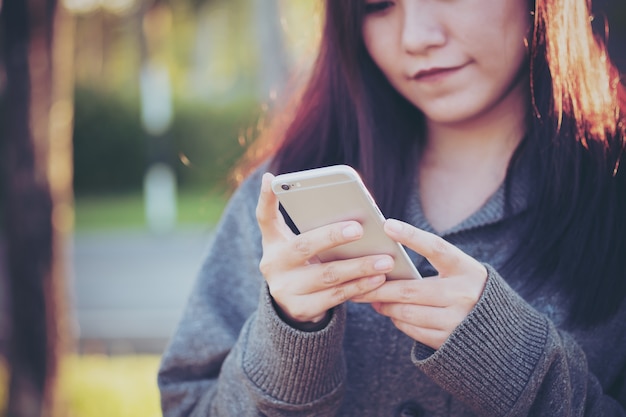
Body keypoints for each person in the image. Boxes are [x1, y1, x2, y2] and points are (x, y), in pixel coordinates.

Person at [158, 0, 626, 415]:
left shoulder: (612, 190)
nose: (416, 37)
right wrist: (287, 336)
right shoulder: (291, 193)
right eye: (377, 5)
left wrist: (514, 361)